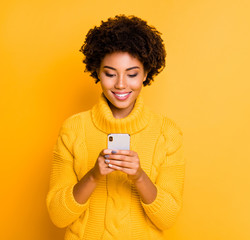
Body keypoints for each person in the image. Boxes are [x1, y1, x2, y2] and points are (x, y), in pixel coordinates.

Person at [46, 15, 185, 240]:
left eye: (132, 74)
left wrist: (139, 176)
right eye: (110, 74)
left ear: (146, 74)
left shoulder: (167, 133)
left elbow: (168, 219)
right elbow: (58, 216)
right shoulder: (73, 129)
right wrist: (93, 176)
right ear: (97, 72)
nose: (121, 84)